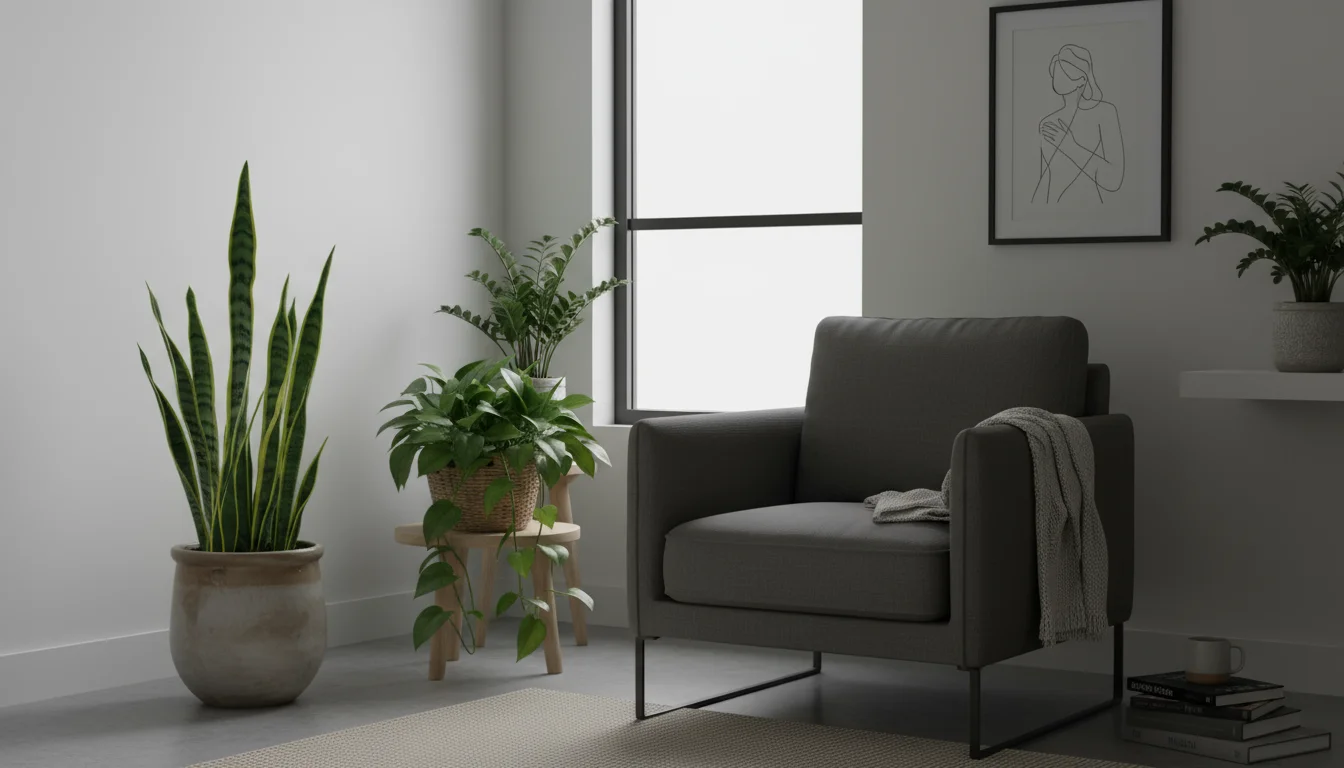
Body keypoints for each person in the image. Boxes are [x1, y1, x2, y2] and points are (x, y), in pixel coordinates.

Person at [1032, 44, 1125, 204]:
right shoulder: (1047, 122)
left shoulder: (1104, 112)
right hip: (1052, 210)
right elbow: (1047, 176)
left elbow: (1114, 180)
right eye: (1057, 67)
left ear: (1082, 79)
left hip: (1088, 211)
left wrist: (1070, 146)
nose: (1058, 73)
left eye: (1065, 69)